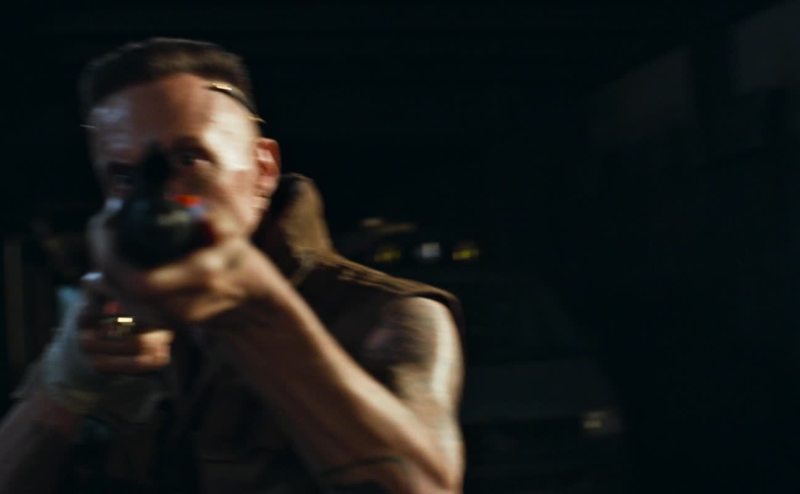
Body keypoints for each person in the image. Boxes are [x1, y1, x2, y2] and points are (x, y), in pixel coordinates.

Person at [0, 38, 465, 493]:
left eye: (189, 159)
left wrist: (257, 314)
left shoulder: (386, 314)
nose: (162, 197)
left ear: (264, 168)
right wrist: (64, 383)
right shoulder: (122, 315)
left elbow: (425, 486)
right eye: (125, 176)